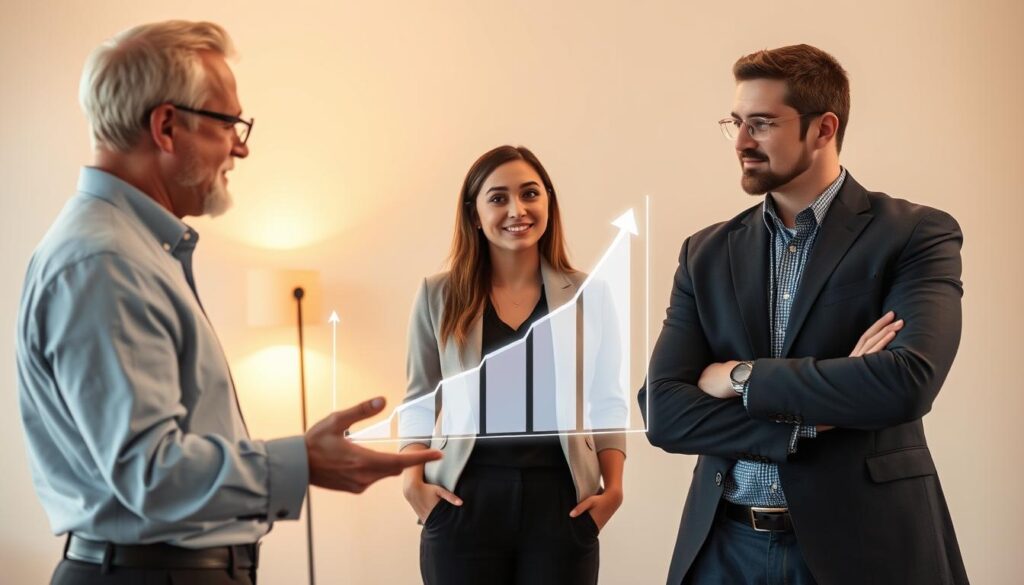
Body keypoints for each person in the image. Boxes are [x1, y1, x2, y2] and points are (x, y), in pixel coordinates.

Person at [15, 20, 440, 585]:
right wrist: (304, 460)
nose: (240, 146)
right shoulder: (106, 264)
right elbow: (150, 475)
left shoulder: (129, 250)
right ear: (166, 125)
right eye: (228, 123)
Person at [639, 44, 968, 585]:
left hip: (865, 546)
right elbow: (664, 410)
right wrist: (811, 420)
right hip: (723, 550)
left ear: (823, 128)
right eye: (736, 123)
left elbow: (905, 383)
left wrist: (740, 376)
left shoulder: (915, 234)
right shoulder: (705, 252)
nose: (742, 142)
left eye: (762, 123)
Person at [400, 145, 628, 585]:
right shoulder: (437, 294)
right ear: (474, 213)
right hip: (463, 499)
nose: (517, 209)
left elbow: (607, 398)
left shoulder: (590, 294)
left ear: (548, 203)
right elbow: (419, 398)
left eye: (530, 194)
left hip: (561, 502)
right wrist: (413, 482)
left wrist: (613, 489)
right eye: (498, 197)